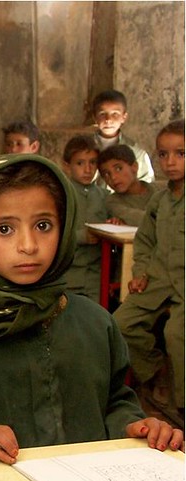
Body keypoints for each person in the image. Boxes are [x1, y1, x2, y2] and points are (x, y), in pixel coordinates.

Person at [0, 154, 183, 465]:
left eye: (43, 225)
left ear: (64, 229)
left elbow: (115, 401)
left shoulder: (96, 324)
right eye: (5, 229)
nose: (28, 245)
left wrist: (135, 426)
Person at [114, 119, 185, 428]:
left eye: (181, 153)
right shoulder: (160, 199)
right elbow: (144, 241)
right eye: (163, 154)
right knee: (120, 322)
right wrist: (141, 271)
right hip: (157, 281)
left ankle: (180, 406)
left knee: (176, 333)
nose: (171, 162)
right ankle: (155, 376)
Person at [61, 135, 108, 302]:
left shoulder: (105, 196)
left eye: (93, 163)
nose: (87, 169)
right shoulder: (60, 195)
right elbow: (52, 234)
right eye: (80, 163)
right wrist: (82, 236)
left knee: (95, 321)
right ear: (67, 166)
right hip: (68, 274)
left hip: (97, 276)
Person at [91, 89, 155, 189]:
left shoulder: (135, 151)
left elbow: (146, 183)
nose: (108, 120)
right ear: (94, 117)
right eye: (102, 114)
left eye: (115, 114)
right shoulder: (85, 148)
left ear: (124, 117)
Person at [98, 144, 154, 226]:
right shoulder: (112, 202)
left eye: (118, 169)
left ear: (134, 167)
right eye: (106, 174)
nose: (113, 177)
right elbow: (145, 220)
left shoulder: (161, 191)